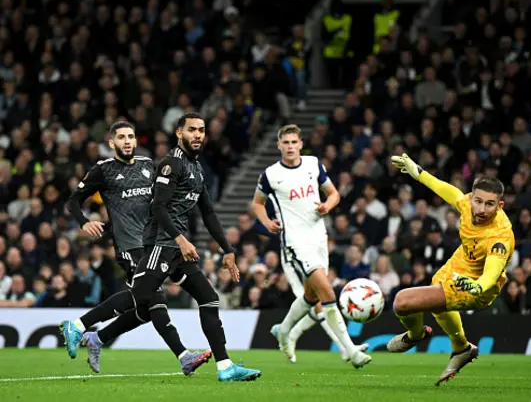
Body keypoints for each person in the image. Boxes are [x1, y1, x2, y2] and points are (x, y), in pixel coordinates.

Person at [60, 113, 261, 382]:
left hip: (173, 247)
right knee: (144, 298)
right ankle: (79, 326)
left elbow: (208, 213)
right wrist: (180, 238)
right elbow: (158, 206)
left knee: (206, 298)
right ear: (179, 133)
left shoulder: (185, 168)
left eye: (202, 130)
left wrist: (228, 250)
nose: (198, 134)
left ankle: (225, 366)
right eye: (192, 130)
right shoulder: (166, 164)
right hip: (157, 244)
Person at [66, 121, 210, 375]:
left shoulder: (147, 165)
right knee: (153, 299)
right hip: (129, 245)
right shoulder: (103, 170)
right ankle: (184, 356)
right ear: (111, 143)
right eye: (121, 137)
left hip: (153, 243)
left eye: (131, 136)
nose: (127, 141)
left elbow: (162, 198)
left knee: (144, 310)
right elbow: (73, 201)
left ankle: (96, 338)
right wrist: (84, 223)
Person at [387, 154, 515, 385]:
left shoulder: (500, 237)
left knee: (402, 302)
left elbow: (492, 271)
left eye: (490, 204)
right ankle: (461, 348)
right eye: (478, 201)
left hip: (477, 283)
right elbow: (450, 192)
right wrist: (418, 172)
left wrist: (478, 286)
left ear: (500, 205)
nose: (482, 208)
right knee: (438, 303)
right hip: (461, 261)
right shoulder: (468, 203)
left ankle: (417, 334)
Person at [251, 124, 371, 368]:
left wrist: (328, 205)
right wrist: (266, 221)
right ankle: (350, 351)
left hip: (319, 236)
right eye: (285, 143)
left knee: (311, 294)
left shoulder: (313, 164)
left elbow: (334, 193)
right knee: (327, 292)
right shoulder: (271, 174)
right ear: (279, 145)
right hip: (295, 241)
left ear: (301, 144)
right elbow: (257, 203)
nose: (290, 147)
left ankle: (284, 332)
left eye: (294, 142)